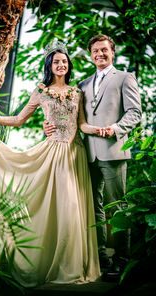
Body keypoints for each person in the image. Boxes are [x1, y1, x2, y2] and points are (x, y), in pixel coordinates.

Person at [0, 39, 101, 287]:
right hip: (52, 154)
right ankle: (51, 261)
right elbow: (18, 119)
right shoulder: (40, 91)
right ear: (50, 65)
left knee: (72, 209)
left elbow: (82, 124)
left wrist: (103, 130)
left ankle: (72, 264)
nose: (61, 65)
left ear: (69, 64)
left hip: (75, 156)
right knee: (58, 207)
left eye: (64, 61)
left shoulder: (78, 93)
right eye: (56, 62)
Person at [43, 35, 142, 279]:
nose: (100, 54)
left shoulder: (125, 78)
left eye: (104, 50)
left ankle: (121, 261)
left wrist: (117, 129)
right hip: (86, 154)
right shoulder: (83, 84)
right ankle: (100, 257)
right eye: (95, 50)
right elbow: (71, 117)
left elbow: (135, 112)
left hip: (113, 151)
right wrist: (48, 126)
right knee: (93, 206)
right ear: (90, 55)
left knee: (118, 207)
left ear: (112, 52)